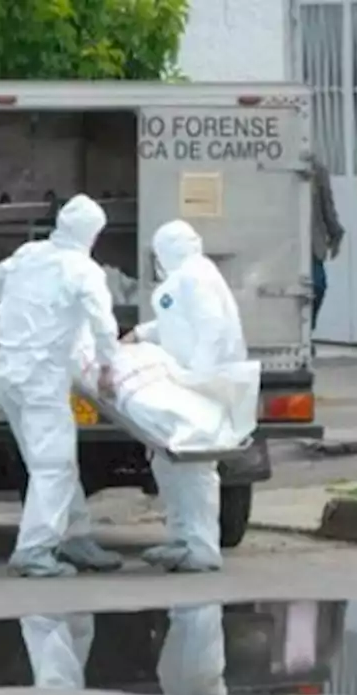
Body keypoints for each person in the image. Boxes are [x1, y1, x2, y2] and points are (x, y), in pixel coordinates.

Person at [0, 194, 123, 578]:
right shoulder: (83, 269)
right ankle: (34, 550)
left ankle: (75, 537)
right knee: (54, 464)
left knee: (47, 461)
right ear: (93, 234)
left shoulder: (30, 254)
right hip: (41, 376)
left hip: (8, 372)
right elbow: (103, 323)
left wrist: (18, 306)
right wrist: (107, 368)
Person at [124, 220, 246, 574]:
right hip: (191, 381)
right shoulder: (194, 274)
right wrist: (140, 334)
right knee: (168, 460)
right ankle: (180, 538)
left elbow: (211, 328)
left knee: (193, 468)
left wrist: (198, 376)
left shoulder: (193, 277)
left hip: (200, 384)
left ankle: (201, 546)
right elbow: (176, 323)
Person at [309, 155, 344, 333]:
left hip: (311, 242)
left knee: (318, 285)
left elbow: (326, 204)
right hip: (282, 243)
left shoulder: (317, 168)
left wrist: (335, 232)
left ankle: (307, 330)